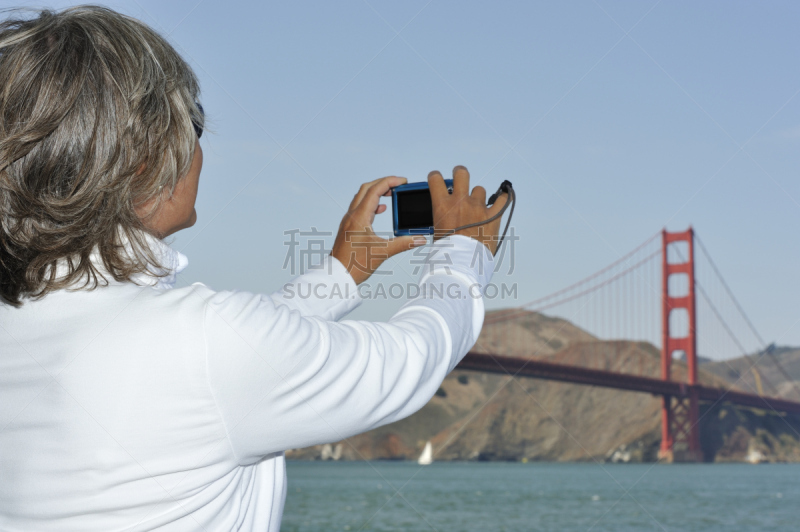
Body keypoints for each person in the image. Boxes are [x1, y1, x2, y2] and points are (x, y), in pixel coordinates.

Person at [0, 6, 507, 531]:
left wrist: (341, 273)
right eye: (193, 122)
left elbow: (234, 356)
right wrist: (461, 253)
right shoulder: (202, 343)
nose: (202, 146)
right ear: (144, 160)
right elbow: (410, 360)